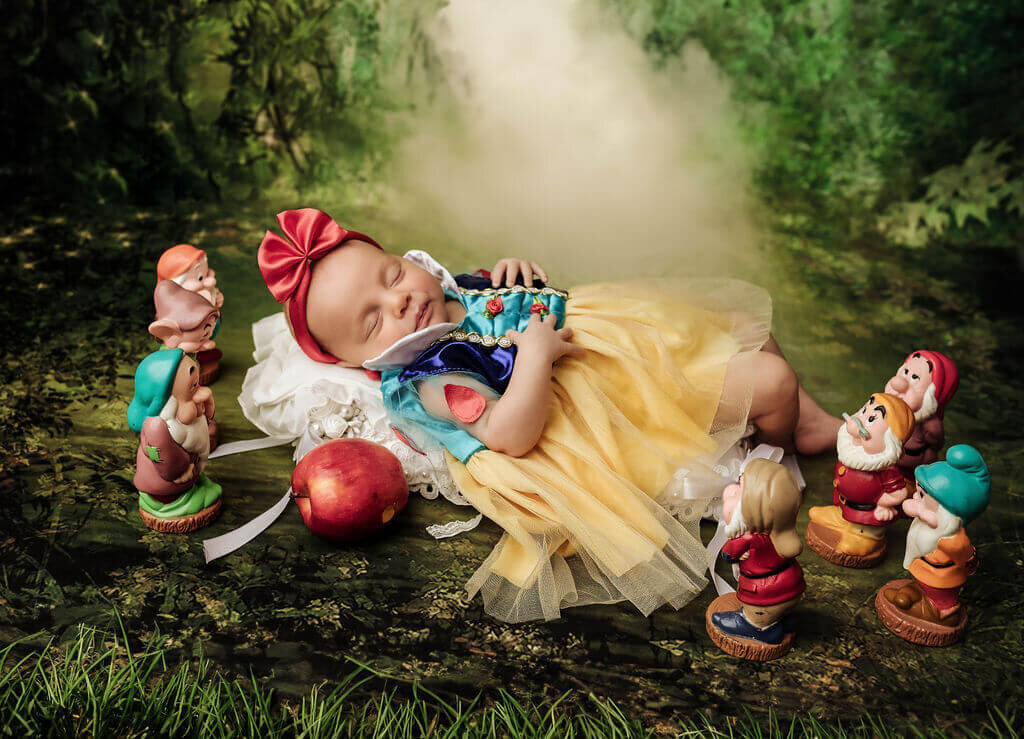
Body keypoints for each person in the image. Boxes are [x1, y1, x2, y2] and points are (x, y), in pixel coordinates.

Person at [257, 208, 839, 622]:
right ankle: (777, 446)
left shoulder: (439, 297)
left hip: (611, 341)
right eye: (373, 322)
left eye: (390, 276)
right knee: (770, 381)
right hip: (596, 401)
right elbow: (509, 436)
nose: (401, 301)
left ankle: (804, 422)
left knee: (737, 321)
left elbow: (488, 306)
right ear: (362, 360)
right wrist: (532, 355)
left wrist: (503, 276)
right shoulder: (433, 380)